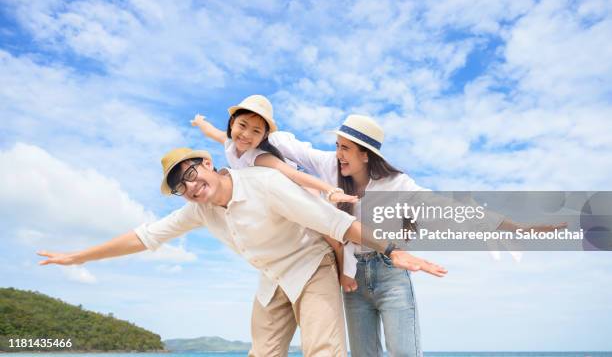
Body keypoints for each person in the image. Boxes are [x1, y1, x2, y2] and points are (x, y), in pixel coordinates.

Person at [38, 146, 447, 357]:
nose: (193, 186)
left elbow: (334, 223)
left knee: (324, 351)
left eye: (193, 174)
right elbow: (145, 237)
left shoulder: (264, 184)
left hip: (311, 264)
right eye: (182, 186)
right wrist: (78, 257)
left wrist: (392, 249)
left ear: (207, 163)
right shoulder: (198, 211)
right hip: (272, 280)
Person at [267, 114, 564, 357]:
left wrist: (515, 227)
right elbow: (286, 144)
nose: (338, 154)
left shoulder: (398, 185)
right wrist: (267, 125)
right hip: (352, 278)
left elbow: (450, 208)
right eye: (337, 145)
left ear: (366, 155)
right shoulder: (329, 166)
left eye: (345, 148)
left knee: (405, 353)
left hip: (390, 274)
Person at [191, 94, 359, 291]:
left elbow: (293, 175)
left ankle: (345, 271)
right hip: (275, 195)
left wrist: (330, 190)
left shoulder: (259, 158)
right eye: (242, 125)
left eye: (256, 131)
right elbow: (211, 132)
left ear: (264, 136)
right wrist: (200, 122)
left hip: (298, 185)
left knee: (328, 228)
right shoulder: (229, 144)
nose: (246, 135)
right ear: (232, 123)